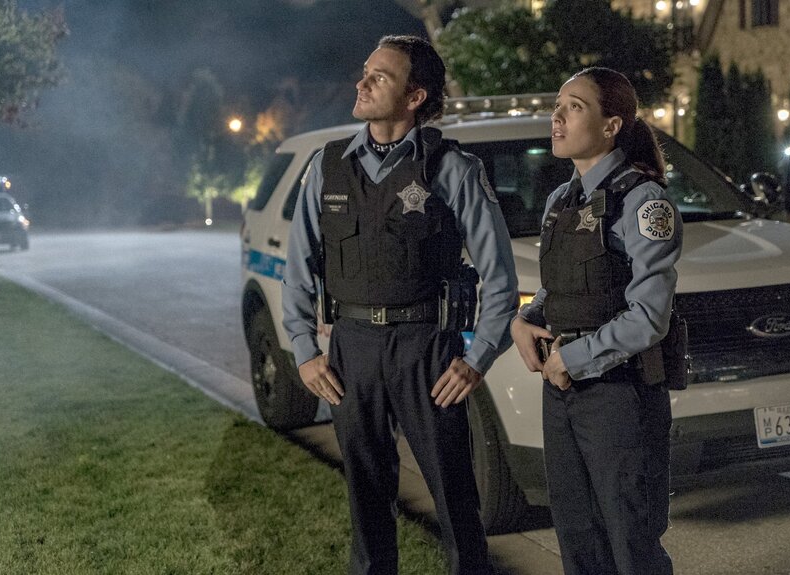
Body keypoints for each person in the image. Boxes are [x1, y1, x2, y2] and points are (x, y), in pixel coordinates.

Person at [282, 34, 518, 575]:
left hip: (426, 352)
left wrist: (477, 357)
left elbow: (500, 279)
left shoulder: (451, 169)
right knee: (366, 505)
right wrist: (303, 350)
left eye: (379, 77)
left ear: (415, 96)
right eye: (365, 72)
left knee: (457, 503)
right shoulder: (328, 166)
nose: (361, 84)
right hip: (350, 354)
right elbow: (299, 270)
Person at [511, 67, 683, 575]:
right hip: (563, 389)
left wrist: (573, 358)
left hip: (620, 394)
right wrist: (525, 321)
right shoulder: (562, 200)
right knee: (578, 538)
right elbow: (559, 286)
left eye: (575, 107)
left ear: (611, 125)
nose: (557, 117)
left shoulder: (643, 201)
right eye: (557, 106)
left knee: (631, 543)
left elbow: (650, 317)